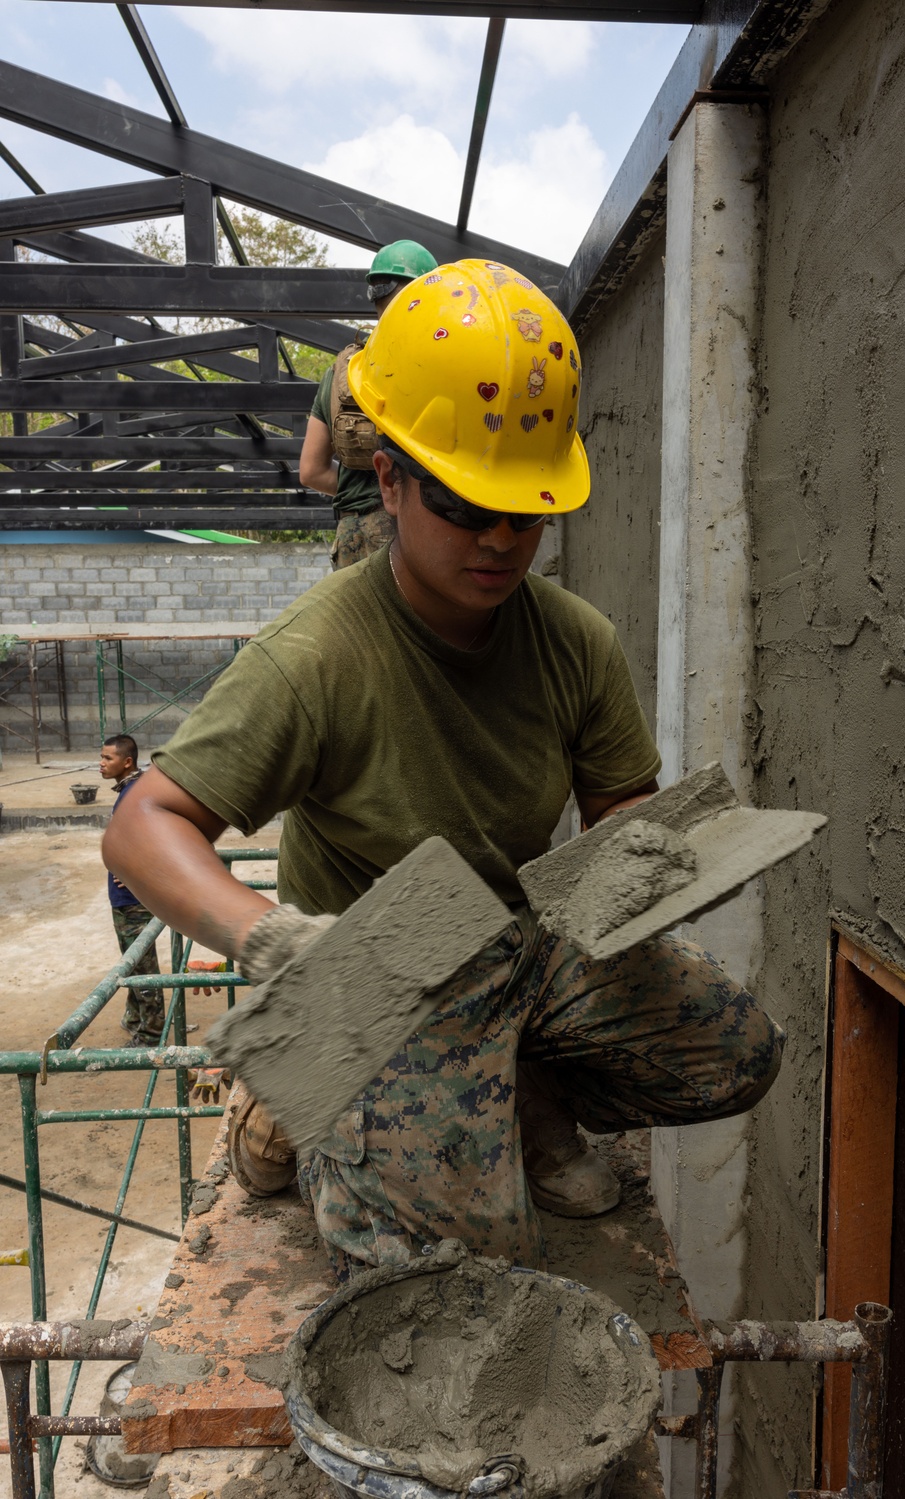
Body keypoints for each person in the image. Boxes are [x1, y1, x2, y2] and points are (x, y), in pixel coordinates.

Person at [103, 260, 783, 1281]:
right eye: (465, 504)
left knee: (734, 1047)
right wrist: (279, 940)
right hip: (362, 974)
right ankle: (292, 1092)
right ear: (389, 481)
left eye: (527, 509)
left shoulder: (574, 641)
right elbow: (142, 823)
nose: (502, 539)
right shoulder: (318, 652)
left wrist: (654, 851)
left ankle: (519, 1078)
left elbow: (620, 810)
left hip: (509, 948)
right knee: (438, 1265)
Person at [298, 239, 438, 570]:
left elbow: (311, 470)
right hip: (407, 527)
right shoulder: (435, 361)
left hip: (350, 534)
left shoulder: (344, 371)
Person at [98, 734, 164, 1047]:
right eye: (101, 757)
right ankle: (135, 1018)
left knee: (141, 965)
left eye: (107, 758)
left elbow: (157, 835)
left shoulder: (134, 791)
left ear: (127, 762)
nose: (101, 763)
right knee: (133, 960)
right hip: (125, 897)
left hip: (133, 900)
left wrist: (136, 870)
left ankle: (151, 1034)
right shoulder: (132, 788)